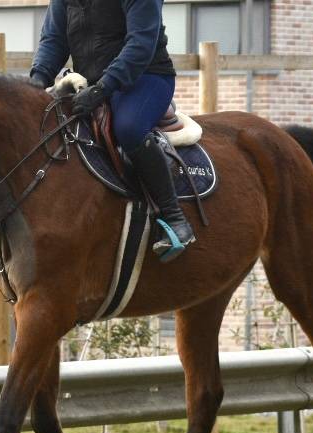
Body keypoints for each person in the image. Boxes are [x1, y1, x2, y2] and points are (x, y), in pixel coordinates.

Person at [29, 0, 195, 262]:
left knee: (128, 129)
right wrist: (38, 80)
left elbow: (141, 43)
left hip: (145, 77)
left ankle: (174, 218)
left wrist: (104, 88)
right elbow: (53, 40)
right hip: (91, 82)